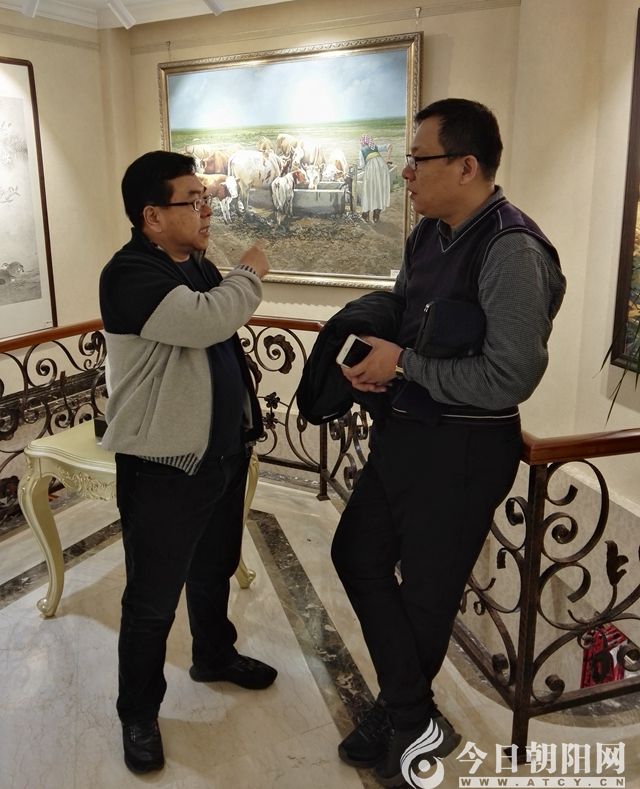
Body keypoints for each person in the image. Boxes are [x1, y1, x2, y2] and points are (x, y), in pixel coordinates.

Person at [331, 99, 566, 787]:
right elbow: (411, 317)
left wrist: (404, 365)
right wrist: (378, 356)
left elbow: (509, 376)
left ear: (466, 166)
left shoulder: (512, 249)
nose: (404, 173)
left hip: (465, 450)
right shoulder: (428, 234)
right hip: (408, 433)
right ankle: (411, 712)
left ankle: (400, 716)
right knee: (355, 551)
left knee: (427, 596)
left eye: (417, 159)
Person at [99, 150, 277, 775]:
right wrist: (249, 272)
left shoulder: (194, 263)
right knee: (152, 600)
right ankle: (137, 712)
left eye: (206, 197)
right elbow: (209, 321)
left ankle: (214, 655)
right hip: (163, 464)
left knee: (213, 568)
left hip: (220, 451)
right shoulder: (129, 274)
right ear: (152, 216)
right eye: (193, 200)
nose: (208, 210)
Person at [358, 133, 391, 222]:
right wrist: (388, 159)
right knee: (379, 190)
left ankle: (366, 215)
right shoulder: (375, 147)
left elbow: (362, 165)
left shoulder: (361, 150)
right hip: (382, 168)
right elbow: (389, 146)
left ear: (362, 142)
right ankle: (376, 216)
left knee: (369, 190)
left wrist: (358, 168)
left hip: (371, 169)